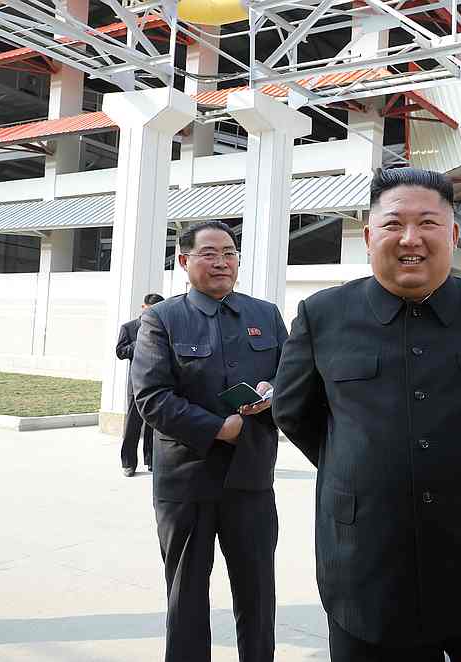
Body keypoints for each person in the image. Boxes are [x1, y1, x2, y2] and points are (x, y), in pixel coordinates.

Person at [272, 167, 461, 662]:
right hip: (368, 565)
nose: (410, 239)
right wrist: (362, 465)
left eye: (428, 223)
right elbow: (295, 412)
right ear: (367, 235)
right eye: (393, 224)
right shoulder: (323, 315)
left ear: (453, 234)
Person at [132, 220, 287, 662]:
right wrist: (218, 427)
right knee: (187, 596)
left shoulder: (265, 315)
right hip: (187, 482)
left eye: (230, 252)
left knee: (257, 593)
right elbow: (151, 396)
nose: (222, 262)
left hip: (251, 478)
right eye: (209, 253)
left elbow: (291, 378)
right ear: (184, 261)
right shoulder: (162, 319)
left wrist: (272, 395)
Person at [116, 292, 164, 476]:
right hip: (136, 383)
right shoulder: (129, 327)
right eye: (150, 309)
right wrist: (140, 343)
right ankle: (128, 463)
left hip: (158, 382)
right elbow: (120, 352)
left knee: (154, 424)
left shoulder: (163, 326)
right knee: (132, 424)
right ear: (143, 308)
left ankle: (151, 460)